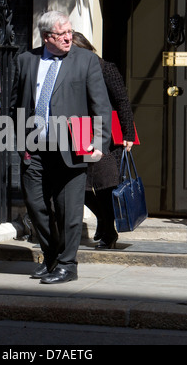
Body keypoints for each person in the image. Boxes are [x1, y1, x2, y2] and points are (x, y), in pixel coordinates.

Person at [10, 11, 112, 284]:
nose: (68, 37)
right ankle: (52, 256)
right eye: (61, 34)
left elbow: (101, 105)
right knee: (36, 206)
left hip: (72, 148)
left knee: (69, 210)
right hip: (35, 148)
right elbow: (16, 104)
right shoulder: (26, 61)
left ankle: (68, 265)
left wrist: (100, 141)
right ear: (46, 37)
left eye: (69, 32)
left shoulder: (86, 61)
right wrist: (20, 145)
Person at [72, 32, 135, 249]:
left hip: (104, 131)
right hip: (78, 129)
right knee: (80, 184)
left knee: (105, 184)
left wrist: (128, 135)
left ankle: (109, 233)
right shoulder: (71, 70)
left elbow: (122, 101)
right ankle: (104, 220)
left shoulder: (105, 68)